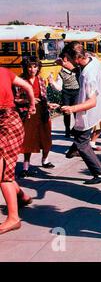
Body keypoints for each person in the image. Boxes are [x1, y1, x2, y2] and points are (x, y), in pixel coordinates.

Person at [61, 42, 101, 185]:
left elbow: (91, 102)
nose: (66, 61)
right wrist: (68, 66)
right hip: (98, 107)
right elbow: (80, 69)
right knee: (78, 135)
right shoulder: (93, 60)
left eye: (68, 58)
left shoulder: (88, 76)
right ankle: (72, 151)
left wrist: (72, 109)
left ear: (76, 57)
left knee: (82, 143)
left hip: (88, 111)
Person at [0, 67, 35, 234]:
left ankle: (13, 218)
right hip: (12, 122)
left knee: (3, 173)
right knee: (4, 169)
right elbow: (27, 86)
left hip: (6, 126)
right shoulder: (4, 71)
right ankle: (22, 197)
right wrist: (32, 105)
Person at [15, 57, 59, 178]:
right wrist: (29, 100)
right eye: (29, 66)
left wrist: (49, 104)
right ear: (25, 67)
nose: (32, 69)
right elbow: (15, 99)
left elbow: (43, 98)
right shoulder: (20, 80)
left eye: (35, 66)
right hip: (28, 113)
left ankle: (45, 160)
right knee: (28, 140)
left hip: (42, 112)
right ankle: (25, 167)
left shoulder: (40, 80)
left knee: (46, 138)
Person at [48, 52, 80, 138]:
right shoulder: (61, 72)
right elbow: (59, 86)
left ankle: (76, 129)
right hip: (67, 93)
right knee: (66, 112)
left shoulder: (76, 68)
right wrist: (52, 83)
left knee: (76, 112)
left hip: (76, 92)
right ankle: (67, 130)